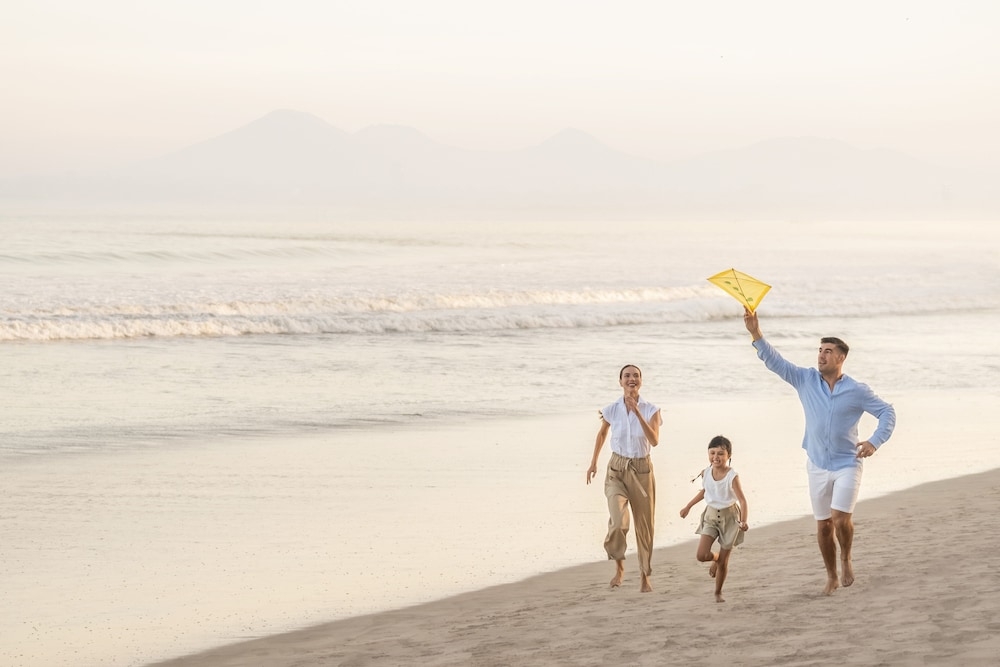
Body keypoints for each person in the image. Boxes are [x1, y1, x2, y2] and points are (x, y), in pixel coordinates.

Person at [743, 307, 896, 595]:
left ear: (841, 358)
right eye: (819, 350)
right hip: (816, 464)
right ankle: (831, 575)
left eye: (828, 351)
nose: (821, 355)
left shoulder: (857, 390)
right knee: (824, 526)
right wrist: (755, 333)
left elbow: (887, 411)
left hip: (847, 463)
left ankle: (846, 557)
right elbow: (776, 362)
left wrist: (875, 441)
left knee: (840, 519)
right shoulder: (805, 380)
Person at [586, 364, 662, 592]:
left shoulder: (651, 410)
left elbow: (655, 440)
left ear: (641, 381)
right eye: (627, 376)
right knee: (619, 522)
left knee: (644, 526)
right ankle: (619, 566)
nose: (632, 379)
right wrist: (593, 463)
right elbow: (602, 434)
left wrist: (637, 412)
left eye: (636, 375)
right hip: (617, 470)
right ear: (620, 381)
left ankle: (644, 576)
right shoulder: (611, 409)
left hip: (642, 471)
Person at [679, 435, 749, 603]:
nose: (716, 457)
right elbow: (705, 492)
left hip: (730, 518)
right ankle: (716, 558)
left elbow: (742, 500)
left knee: (725, 562)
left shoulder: (732, 476)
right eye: (712, 453)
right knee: (701, 555)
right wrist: (688, 506)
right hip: (710, 516)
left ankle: (718, 592)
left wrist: (744, 521)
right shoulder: (706, 472)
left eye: (720, 453)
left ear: (728, 456)